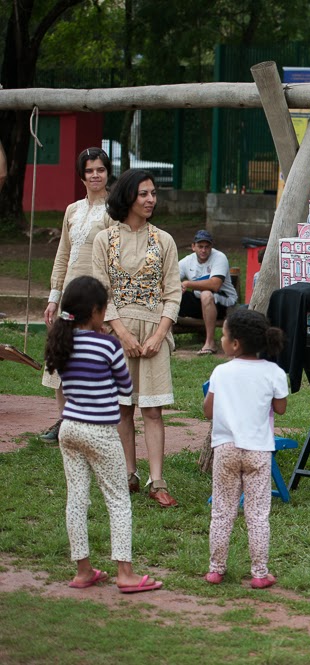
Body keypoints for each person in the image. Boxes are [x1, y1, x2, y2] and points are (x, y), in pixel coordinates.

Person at [43, 275, 163, 594]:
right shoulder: (108, 344)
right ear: (96, 311)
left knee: (77, 497)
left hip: (68, 429)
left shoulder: (62, 341)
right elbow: (126, 386)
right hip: (100, 431)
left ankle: (83, 570)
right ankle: (125, 572)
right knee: (117, 499)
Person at [92, 169, 182, 508]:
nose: (150, 200)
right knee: (122, 408)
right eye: (144, 193)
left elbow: (173, 293)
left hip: (154, 333)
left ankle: (157, 480)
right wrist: (122, 333)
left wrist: (160, 334)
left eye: (153, 194)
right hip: (117, 334)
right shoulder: (105, 240)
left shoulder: (165, 240)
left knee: (153, 410)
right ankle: (128, 473)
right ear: (128, 196)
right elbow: (102, 290)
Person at [203, 308, 288, 589]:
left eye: (224, 335)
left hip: (226, 448)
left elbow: (208, 411)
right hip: (258, 451)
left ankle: (216, 569)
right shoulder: (274, 372)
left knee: (222, 510)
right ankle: (260, 574)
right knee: (257, 513)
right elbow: (281, 408)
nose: (222, 339)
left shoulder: (221, 372)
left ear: (235, 343)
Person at [39, 147, 114, 443]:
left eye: (100, 169)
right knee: (62, 353)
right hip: (69, 292)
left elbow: (114, 258)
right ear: (81, 176)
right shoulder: (72, 210)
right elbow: (63, 253)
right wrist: (53, 296)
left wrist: (108, 306)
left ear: (108, 172)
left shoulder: (114, 211)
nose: (95, 175)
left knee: (93, 357)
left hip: (97, 295)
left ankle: (95, 421)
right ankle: (64, 421)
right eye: (89, 171)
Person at [178, 230, 239, 355]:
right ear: (193, 247)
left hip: (225, 304)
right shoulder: (187, 261)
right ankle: (165, 340)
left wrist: (187, 284)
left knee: (206, 294)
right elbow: (169, 279)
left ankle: (210, 343)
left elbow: (215, 285)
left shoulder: (219, 257)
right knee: (171, 294)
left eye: (207, 247)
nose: (204, 250)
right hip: (200, 301)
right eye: (200, 246)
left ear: (211, 247)